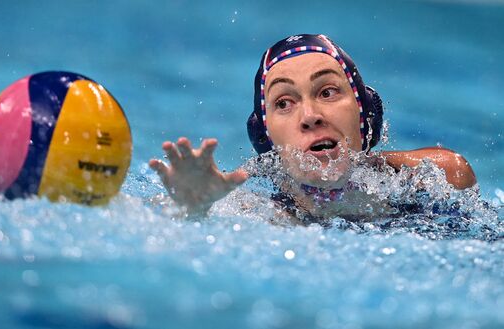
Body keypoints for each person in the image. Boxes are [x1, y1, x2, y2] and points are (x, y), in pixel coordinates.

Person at [149, 34, 476, 220]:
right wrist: (194, 210)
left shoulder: (431, 178)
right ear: (268, 138)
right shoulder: (256, 214)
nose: (309, 115)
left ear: (365, 118)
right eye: (284, 103)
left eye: (327, 92)